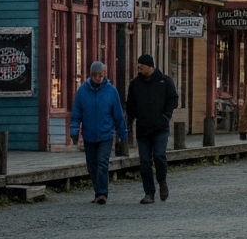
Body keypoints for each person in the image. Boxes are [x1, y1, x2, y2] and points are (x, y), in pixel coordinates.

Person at [70, 61, 127, 205]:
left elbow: (118, 115)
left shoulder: (111, 91)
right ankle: (97, 191)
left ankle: (102, 193)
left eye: (100, 75)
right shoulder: (82, 91)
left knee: (102, 162)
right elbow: (76, 113)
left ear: (104, 74)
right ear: (91, 75)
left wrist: (122, 133)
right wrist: (74, 130)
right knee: (92, 165)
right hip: (89, 134)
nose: (98, 78)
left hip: (106, 134)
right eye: (95, 75)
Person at [125, 53, 178, 204]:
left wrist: (165, 116)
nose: (139, 69)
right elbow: (130, 103)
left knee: (160, 155)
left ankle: (162, 182)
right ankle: (149, 192)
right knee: (145, 161)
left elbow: (173, 99)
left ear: (150, 66)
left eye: (141, 66)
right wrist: (133, 118)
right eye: (138, 67)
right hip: (143, 129)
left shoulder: (164, 81)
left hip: (160, 128)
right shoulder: (135, 84)